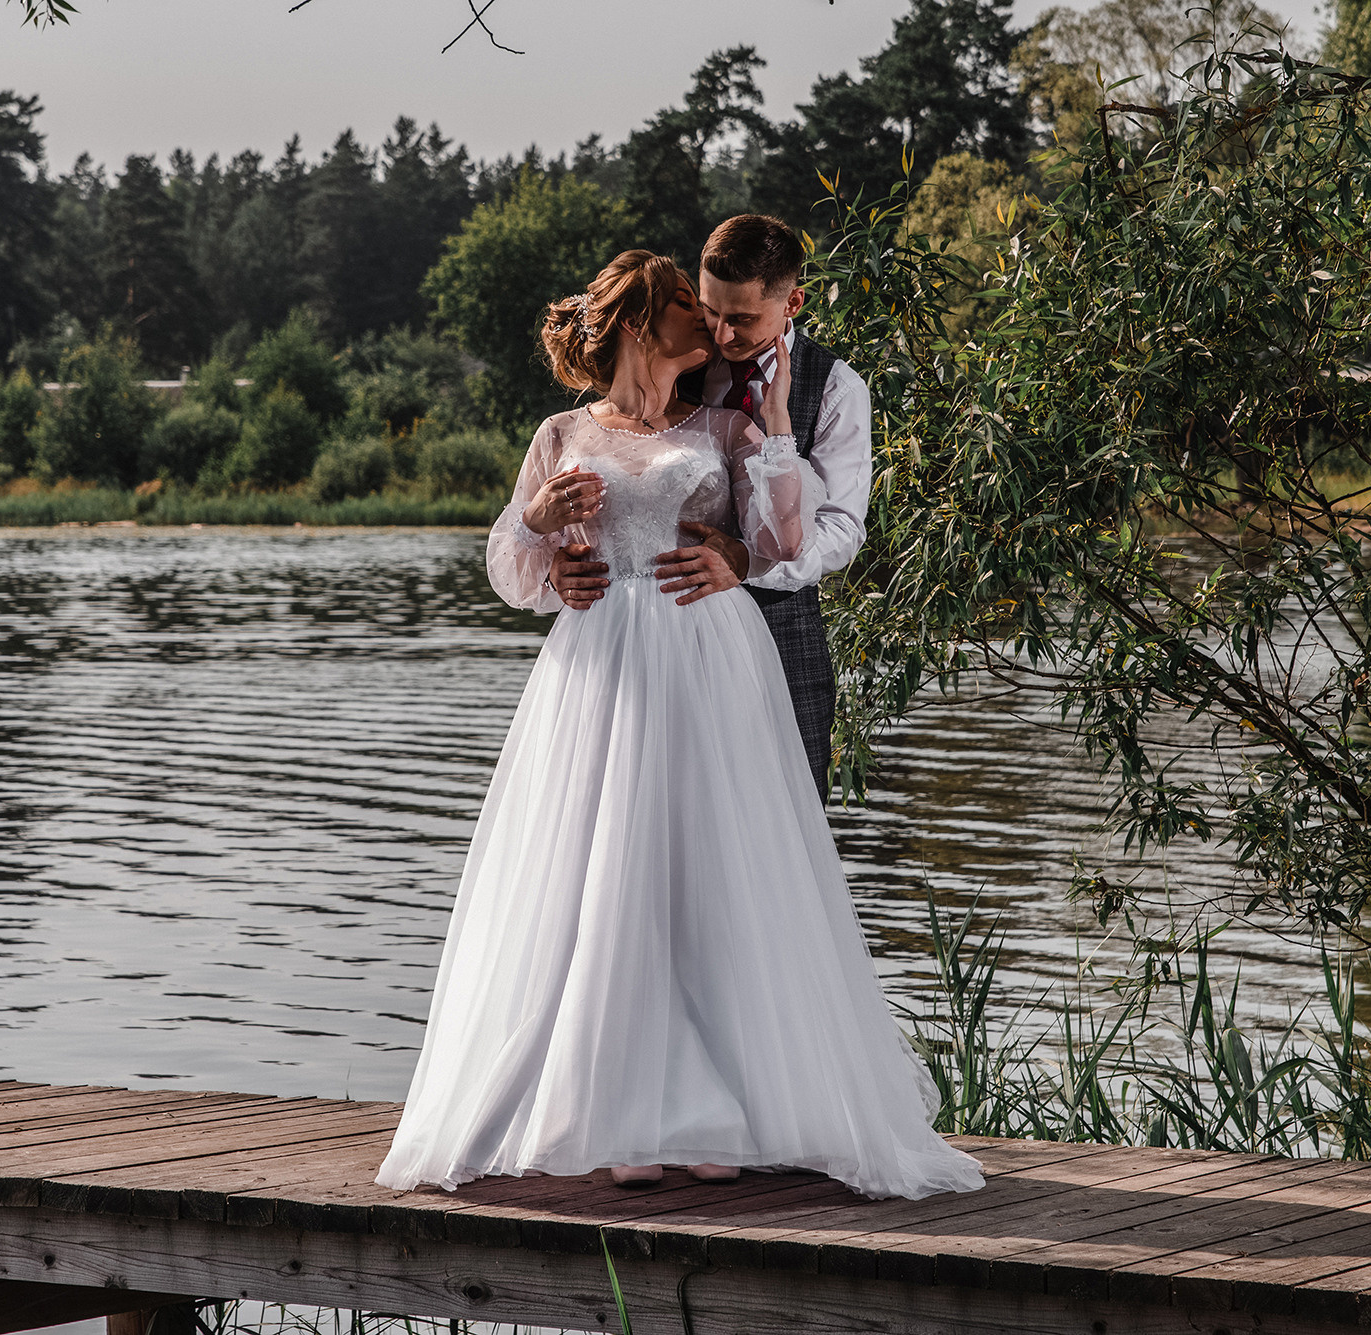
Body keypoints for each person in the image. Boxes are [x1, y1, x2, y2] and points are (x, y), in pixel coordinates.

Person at [374, 249, 983, 1201]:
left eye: (726, 316)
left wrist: (766, 473)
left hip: (710, 657)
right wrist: (540, 532)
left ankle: (738, 1108)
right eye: (693, 313)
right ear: (639, 323)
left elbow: (795, 538)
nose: (712, 329)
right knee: (608, 873)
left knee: (721, 869)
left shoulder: (735, 422)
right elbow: (511, 560)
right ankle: (618, 1107)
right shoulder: (562, 431)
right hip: (602, 665)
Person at [548, 214, 871, 798]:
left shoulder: (836, 387)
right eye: (710, 310)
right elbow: (612, 447)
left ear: (792, 302)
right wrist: (559, 562)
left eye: (742, 319)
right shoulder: (679, 357)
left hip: (780, 631)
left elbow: (842, 530)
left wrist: (748, 561)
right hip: (655, 652)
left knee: (781, 834)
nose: (721, 334)